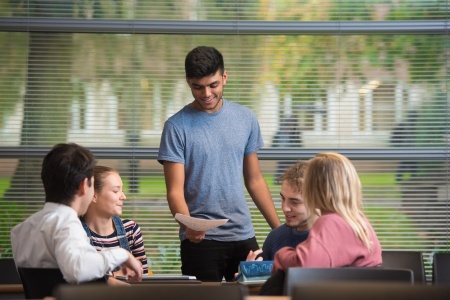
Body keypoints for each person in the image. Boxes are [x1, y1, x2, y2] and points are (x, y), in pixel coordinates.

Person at [157, 46, 281, 282]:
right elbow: (174, 191)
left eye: (213, 85)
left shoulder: (245, 118)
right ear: (188, 82)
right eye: (198, 86)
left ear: (225, 76)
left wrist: (280, 232)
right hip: (201, 240)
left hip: (243, 235)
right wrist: (189, 227)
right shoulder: (176, 127)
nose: (206, 93)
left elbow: (254, 180)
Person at [11, 143, 143, 284]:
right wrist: (123, 254)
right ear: (83, 186)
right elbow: (77, 270)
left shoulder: (21, 230)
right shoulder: (67, 225)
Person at [260, 152, 382, 295]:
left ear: (318, 189)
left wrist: (282, 254)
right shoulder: (357, 220)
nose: (285, 208)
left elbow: (304, 265)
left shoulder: (331, 222)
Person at [80, 165, 150, 277]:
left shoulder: (131, 230)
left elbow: (143, 278)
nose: (123, 196)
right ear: (93, 195)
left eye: (122, 190)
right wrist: (116, 275)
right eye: (116, 191)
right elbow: (79, 278)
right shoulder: (76, 231)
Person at [245, 161, 317, 261]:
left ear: (318, 201)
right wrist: (248, 274)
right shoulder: (275, 237)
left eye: (295, 202)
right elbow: (267, 276)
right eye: (283, 198)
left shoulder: (333, 242)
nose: (284, 208)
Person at [272, 116, 302, 184]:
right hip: (282, 157)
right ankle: (278, 182)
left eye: (293, 124)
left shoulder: (295, 134)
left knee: (292, 172)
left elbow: (299, 145)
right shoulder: (279, 133)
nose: (291, 125)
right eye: (290, 123)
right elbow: (274, 144)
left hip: (292, 157)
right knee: (282, 171)